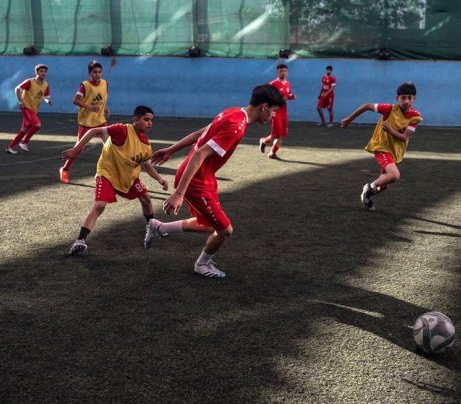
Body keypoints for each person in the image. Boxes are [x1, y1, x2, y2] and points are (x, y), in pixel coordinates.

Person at [144, 84, 285, 279]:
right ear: (264, 106)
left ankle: (159, 227)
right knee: (225, 230)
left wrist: (170, 150)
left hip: (204, 177)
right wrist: (179, 193)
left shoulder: (233, 111)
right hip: (196, 180)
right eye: (274, 111)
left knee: (212, 224)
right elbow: (200, 153)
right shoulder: (237, 126)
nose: (274, 116)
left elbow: (198, 134)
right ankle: (202, 264)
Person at [61, 106, 168, 255]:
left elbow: (148, 167)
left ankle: (152, 228)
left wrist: (160, 179)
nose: (150, 123)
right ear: (136, 120)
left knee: (146, 199)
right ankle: (80, 240)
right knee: (99, 205)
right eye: (146, 119)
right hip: (107, 174)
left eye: (151, 120)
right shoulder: (122, 129)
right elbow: (94, 131)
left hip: (128, 178)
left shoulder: (146, 145)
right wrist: (76, 149)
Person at [340, 82, 423, 211]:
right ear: (397, 98)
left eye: (410, 98)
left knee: (384, 185)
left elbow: (404, 137)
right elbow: (367, 106)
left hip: (394, 151)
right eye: (403, 98)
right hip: (381, 146)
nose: (406, 101)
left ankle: (367, 196)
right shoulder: (389, 109)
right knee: (394, 175)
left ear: (414, 99)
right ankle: (368, 187)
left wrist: (390, 130)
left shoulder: (415, 117)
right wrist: (349, 119)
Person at [59, 60, 110, 184]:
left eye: (99, 72)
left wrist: (106, 108)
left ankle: (110, 173)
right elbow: (75, 100)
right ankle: (64, 169)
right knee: (78, 149)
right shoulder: (85, 85)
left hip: (100, 121)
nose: (97, 74)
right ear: (89, 73)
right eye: (95, 72)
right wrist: (90, 107)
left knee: (110, 147)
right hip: (86, 123)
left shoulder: (104, 83)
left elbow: (103, 97)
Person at [6, 64, 53, 154]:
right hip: (26, 107)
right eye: (41, 71)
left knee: (24, 130)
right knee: (37, 125)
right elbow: (17, 89)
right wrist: (20, 101)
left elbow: (46, 97)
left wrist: (48, 101)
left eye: (45, 72)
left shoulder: (46, 85)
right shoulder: (30, 82)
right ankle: (24, 142)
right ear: (36, 72)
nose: (43, 73)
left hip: (34, 110)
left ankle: (10, 147)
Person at [259, 63, 296, 160]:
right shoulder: (273, 84)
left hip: (284, 112)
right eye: (281, 71)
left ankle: (272, 153)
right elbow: (267, 98)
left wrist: (291, 96)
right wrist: (270, 109)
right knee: (275, 135)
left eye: (285, 71)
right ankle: (263, 141)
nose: (283, 73)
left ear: (287, 72)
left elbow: (287, 94)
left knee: (281, 135)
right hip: (276, 112)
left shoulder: (288, 84)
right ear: (277, 72)